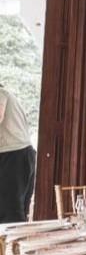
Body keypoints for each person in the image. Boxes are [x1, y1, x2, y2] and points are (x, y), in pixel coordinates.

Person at [0, 83, 35, 224]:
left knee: (10, 212)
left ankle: (10, 246)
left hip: (14, 155)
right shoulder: (7, 93)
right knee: (15, 210)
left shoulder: (1, 93)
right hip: (20, 154)